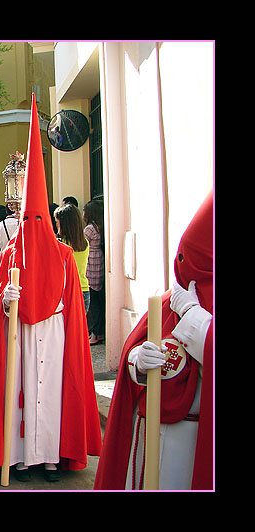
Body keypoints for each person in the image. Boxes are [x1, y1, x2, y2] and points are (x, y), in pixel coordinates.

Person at [0, 95, 101, 483]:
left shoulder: (64, 255)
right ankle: (22, 457)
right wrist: (6, 301)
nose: (31, 222)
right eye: (26, 216)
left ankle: (50, 456)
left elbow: (70, 302)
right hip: (20, 335)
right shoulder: (12, 250)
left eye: (37, 216)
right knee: (21, 391)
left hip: (55, 334)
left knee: (52, 394)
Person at [94, 191, 213, 491]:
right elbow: (133, 355)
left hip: (201, 440)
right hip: (153, 434)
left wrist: (194, 318)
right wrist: (137, 363)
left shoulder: (186, 305)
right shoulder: (166, 304)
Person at [54, 203, 91, 316]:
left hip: (67, 290)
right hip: (84, 289)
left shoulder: (60, 245)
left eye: (57, 221)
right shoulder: (84, 243)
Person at [83, 199, 105, 345]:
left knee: (94, 302)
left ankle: (96, 333)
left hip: (91, 261)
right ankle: (99, 331)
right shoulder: (100, 227)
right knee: (99, 299)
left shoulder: (89, 229)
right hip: (100, 259)